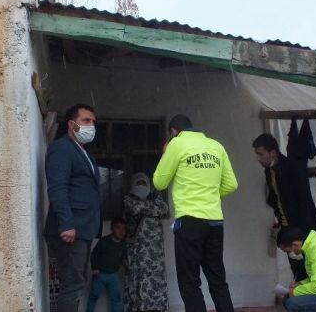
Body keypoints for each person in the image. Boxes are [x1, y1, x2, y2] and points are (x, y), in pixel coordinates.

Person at [153, 114, 238, 312]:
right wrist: (210, 196)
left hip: (189, 222)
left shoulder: (176, 144)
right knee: (218, 281)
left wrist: (166, 153)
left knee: (190, 283)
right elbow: (231, 184)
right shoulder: (216, 146)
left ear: (173, 132)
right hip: (215, 223)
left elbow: (159, 182)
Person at [44, 103, 102, 312]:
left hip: (83, 229)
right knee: (73, 285)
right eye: (86, 120)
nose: (91, 125)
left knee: (77, 283)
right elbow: (57, 187)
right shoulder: (62, 148)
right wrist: (66, 224)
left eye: (93, 122)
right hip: (70, 229)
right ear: (71, 124)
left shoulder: (84, 153)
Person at [253, 133, 316, 281]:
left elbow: (303, 199)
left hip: (301, 226)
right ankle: (299, 290)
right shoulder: (269, 171)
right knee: (296, 266)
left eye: (261, 154)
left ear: (272, 152)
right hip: (286, 226)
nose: (258, 158)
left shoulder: (291, 167)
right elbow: (275, 197)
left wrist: (301, 230)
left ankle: (310, 292)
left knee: (310, 265)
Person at [123, 173, 169, 312]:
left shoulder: (155, 197)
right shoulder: (128, 199)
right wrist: (152, 208)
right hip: (137, 249)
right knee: (138, 279)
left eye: (144, 183)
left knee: (157, 279)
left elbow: (164, 209)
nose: (141, 186)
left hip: (156, 249)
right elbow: (134, 208)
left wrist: (145, 207)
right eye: (138, 183)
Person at [87, 218, 128, 312]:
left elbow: (124, 256)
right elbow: (94, 255)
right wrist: (95, 268)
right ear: (112, 228)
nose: (121, 231)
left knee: (117, 298)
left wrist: (125, 263)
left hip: (113, 275)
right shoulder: (104, 241)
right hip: (100, 274)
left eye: (124, 229)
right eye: (118, 228)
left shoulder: (123, 244)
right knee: (93, 297)